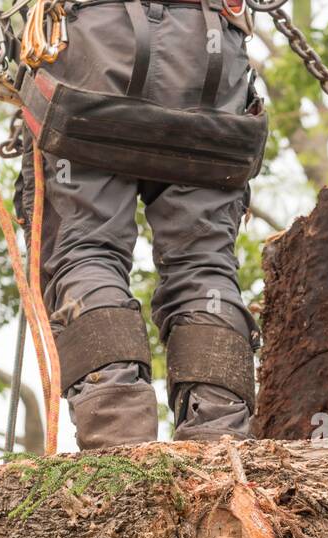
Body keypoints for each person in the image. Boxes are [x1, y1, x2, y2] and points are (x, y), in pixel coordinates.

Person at [14, 0, 259, 448]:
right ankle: (220, 440)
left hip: (93, 40)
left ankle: (116, 434)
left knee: (84, 248)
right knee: (204, 264)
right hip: (209, 52)